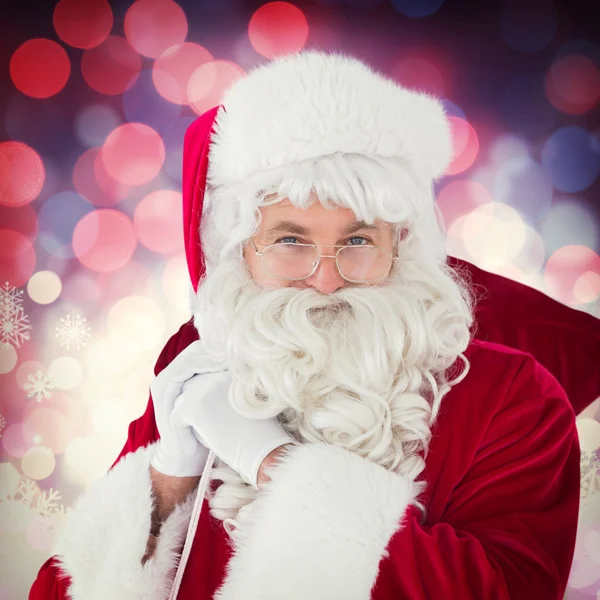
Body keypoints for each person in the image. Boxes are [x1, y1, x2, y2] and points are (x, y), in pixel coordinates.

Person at [30, 50, 580, 600]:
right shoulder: (198, 367)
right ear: (240, 250)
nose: (325, 279)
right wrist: (168, 479)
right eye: (291, 240)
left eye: (358, 241)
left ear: (402, 248)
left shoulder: (513, 396)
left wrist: (278, 465)